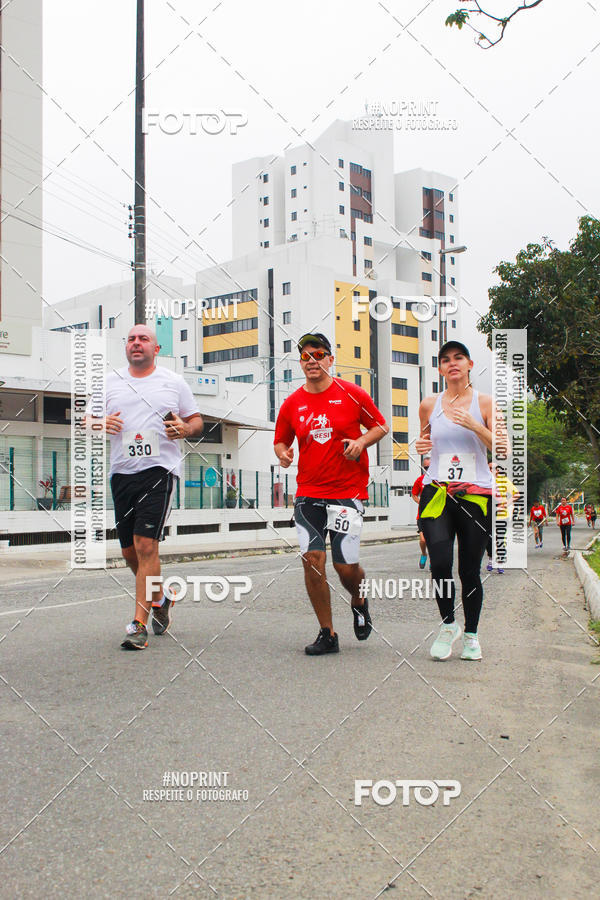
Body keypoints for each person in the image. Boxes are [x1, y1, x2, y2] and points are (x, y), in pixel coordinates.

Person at [273, 332, 389, 655]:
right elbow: (280, 440)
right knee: (312, 560)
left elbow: (381, 425)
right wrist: (283, 454)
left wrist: (361, 443)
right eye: (305, 356)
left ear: (330, 359)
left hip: (346, 492)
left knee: (344, 566)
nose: (312, 361)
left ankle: (359, 597)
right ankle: (328, 633)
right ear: (301, 362)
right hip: (309, 493)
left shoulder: (351, 394)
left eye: (318, 354)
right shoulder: (292, 403)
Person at [102, 325, 204, 650]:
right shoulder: (110, 381)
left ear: (156, 349)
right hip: (122, 473)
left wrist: (185, 428)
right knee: (129, 552)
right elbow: (85, 419)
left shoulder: (173, 382)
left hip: (159, 470)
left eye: (143, 338)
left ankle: (138, 625)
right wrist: (99, 422)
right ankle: (159, 599)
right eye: (131, 339)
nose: (136, 343)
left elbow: (196, 421)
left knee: (146, 545)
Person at [415, 341, 506, 662]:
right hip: (437, 492)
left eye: (458, 358)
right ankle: (447, 625)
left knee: (469, 570)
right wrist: (420, 447)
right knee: (439, 564)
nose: (452, 363)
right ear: (440, 369)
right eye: (445, 360)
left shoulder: (485, 403)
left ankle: (471, 635)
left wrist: (475, 425)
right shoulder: (429, 404)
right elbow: (426, 443)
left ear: (469, 364)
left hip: (476, 495)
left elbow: (504, 449)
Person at [411, 457, 430, 569]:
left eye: (430, 467)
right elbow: (414, 494)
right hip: (422, 515)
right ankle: (424, 554)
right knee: (423, 540)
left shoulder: (438, 480)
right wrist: (420, 502)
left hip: (435, 515)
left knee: (433, 540)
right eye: (425, 467)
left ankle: (434, 559)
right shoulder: (420, 480)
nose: (428, 469)